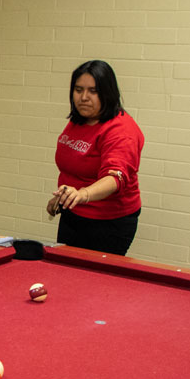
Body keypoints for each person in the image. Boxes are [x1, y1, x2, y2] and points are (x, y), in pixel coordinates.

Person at [46, 59, 144, 256]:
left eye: (93, 91)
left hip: (108, 222)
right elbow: (74, 168)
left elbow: (115, 178)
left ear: (107, 92)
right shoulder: (79, 121)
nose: (84, 97)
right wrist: (65, 197)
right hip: (74, 214)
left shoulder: (121, 130)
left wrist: (82, 194)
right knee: (66, 272)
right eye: (78, 89)